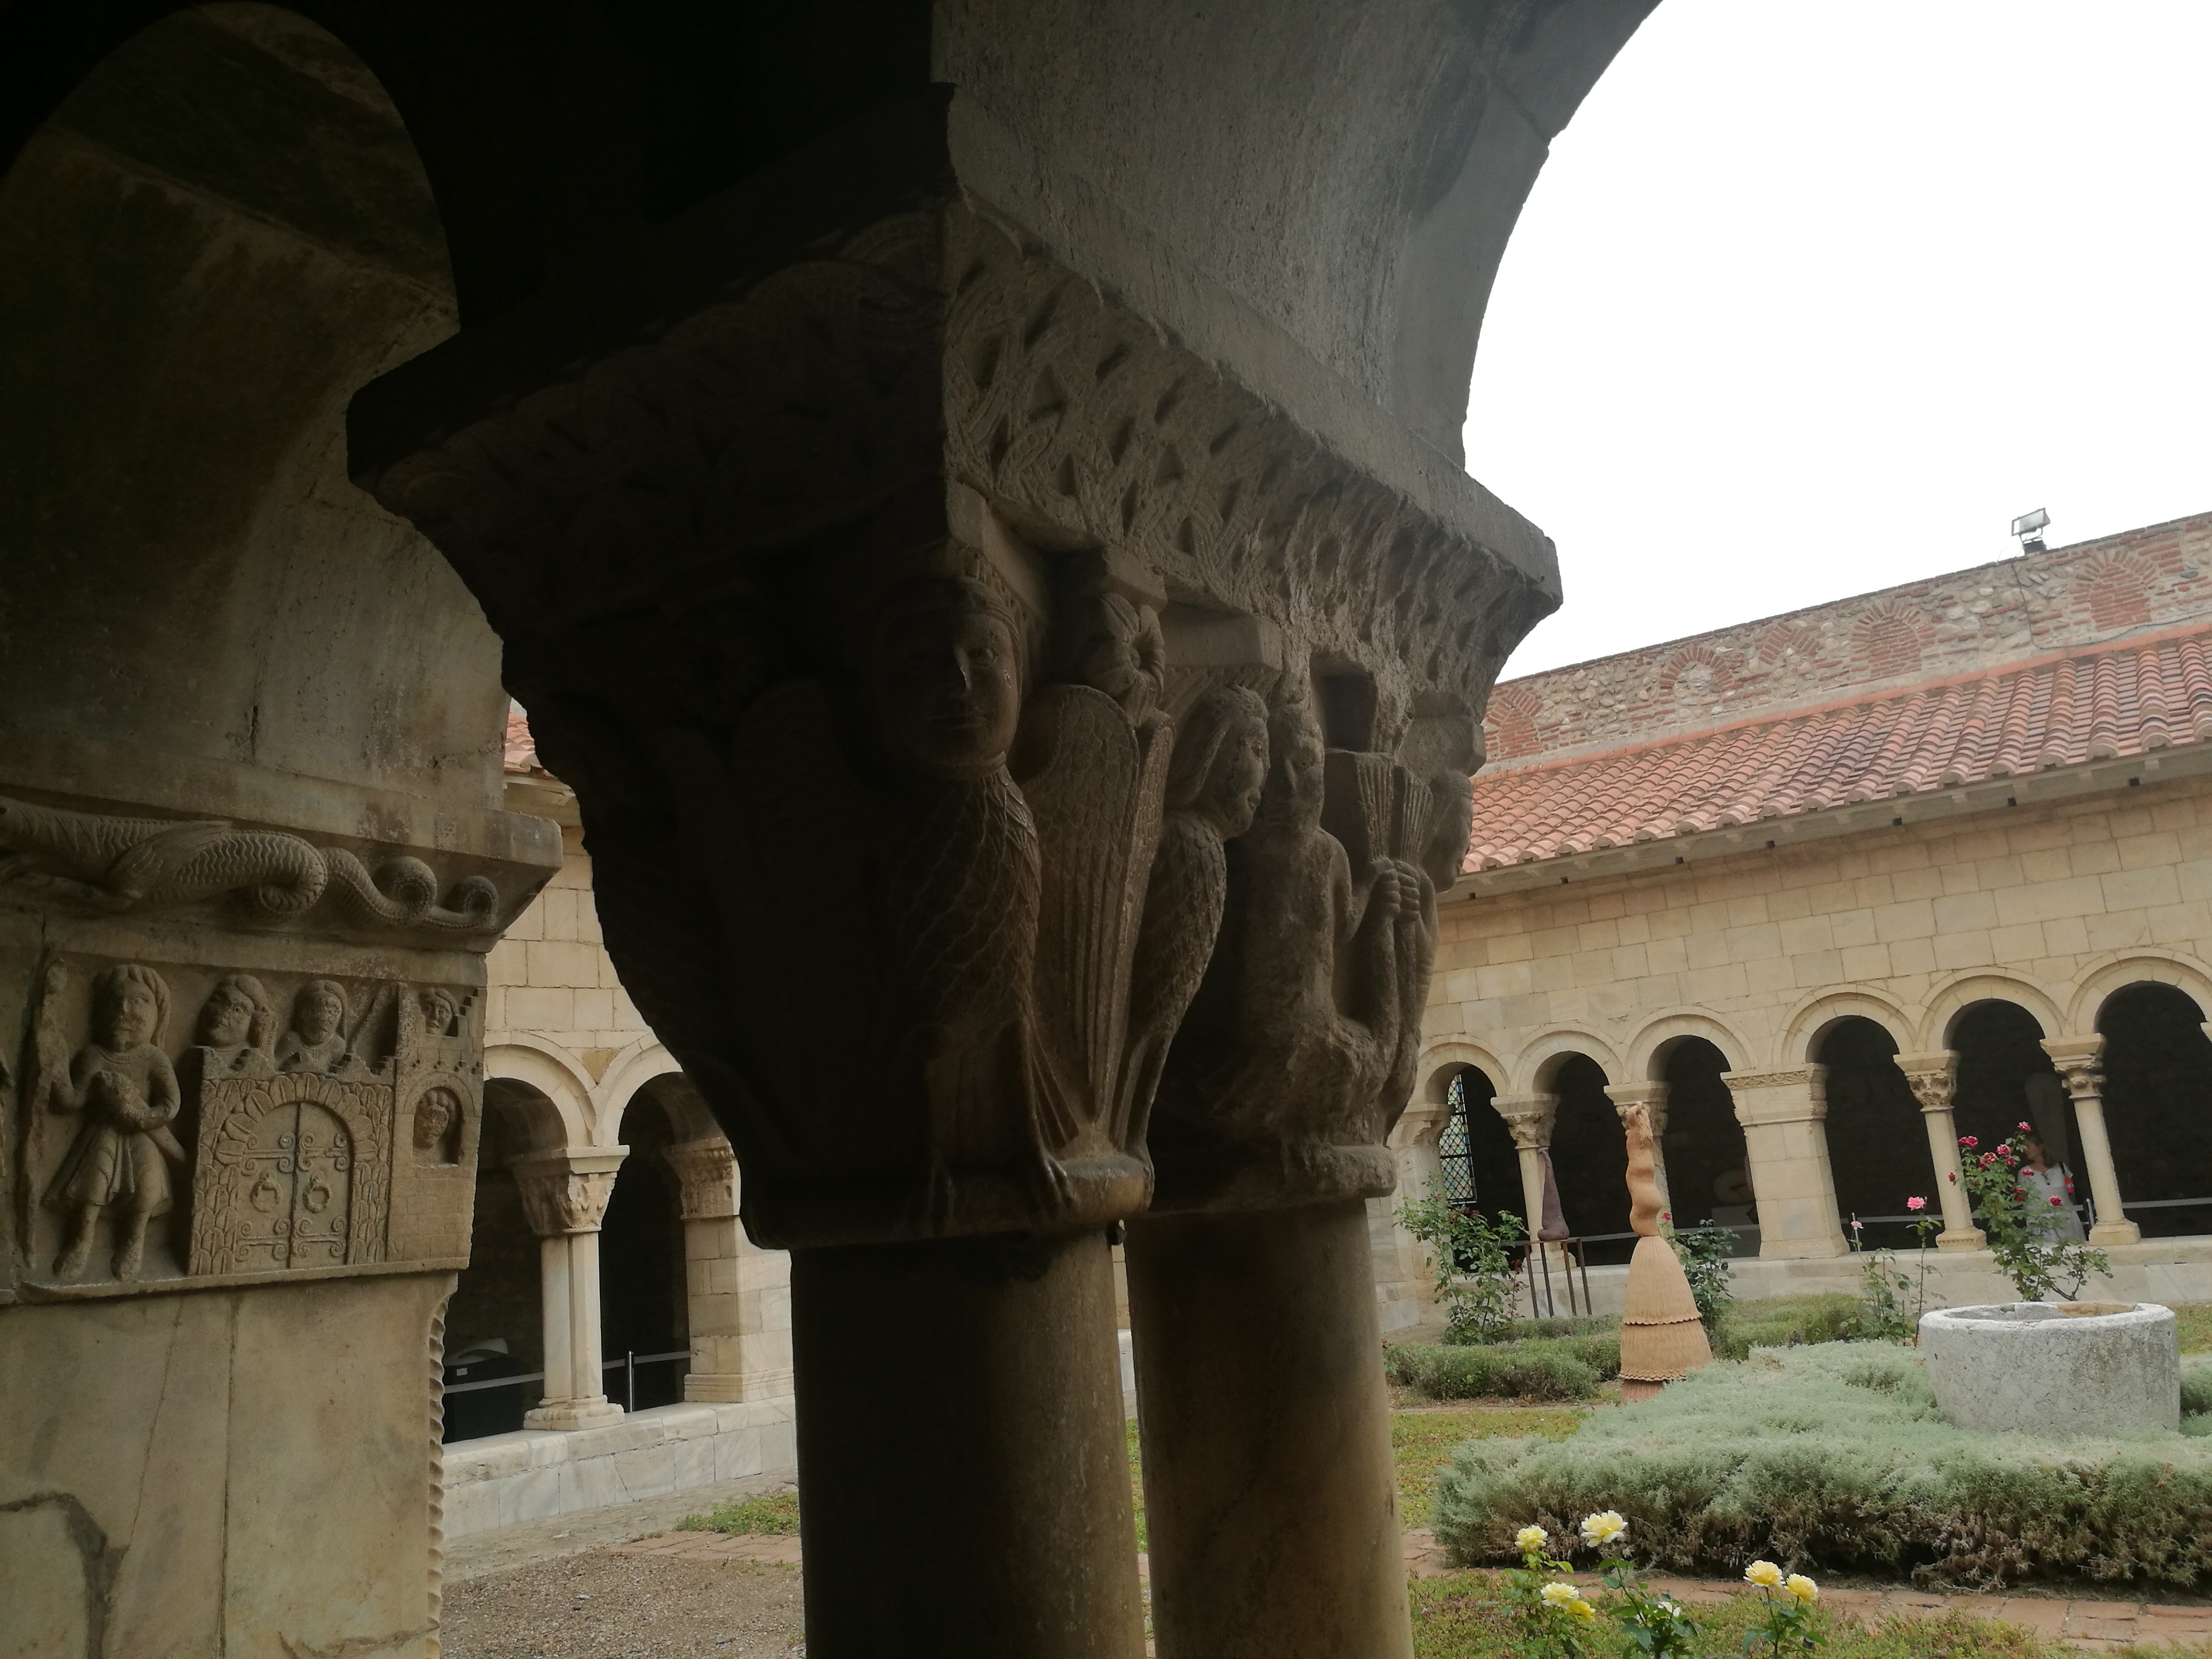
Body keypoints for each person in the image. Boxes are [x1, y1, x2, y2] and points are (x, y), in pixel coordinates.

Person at [2019, 1128, 2086, 1241]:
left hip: (2066, 1218)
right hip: (2041, 1222)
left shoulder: (2061, 1167)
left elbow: (2070, 1191)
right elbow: (2022, 1199)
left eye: (2028, 1146)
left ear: (2040, 1147)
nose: (2025, 1150)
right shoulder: (2024, 1173)